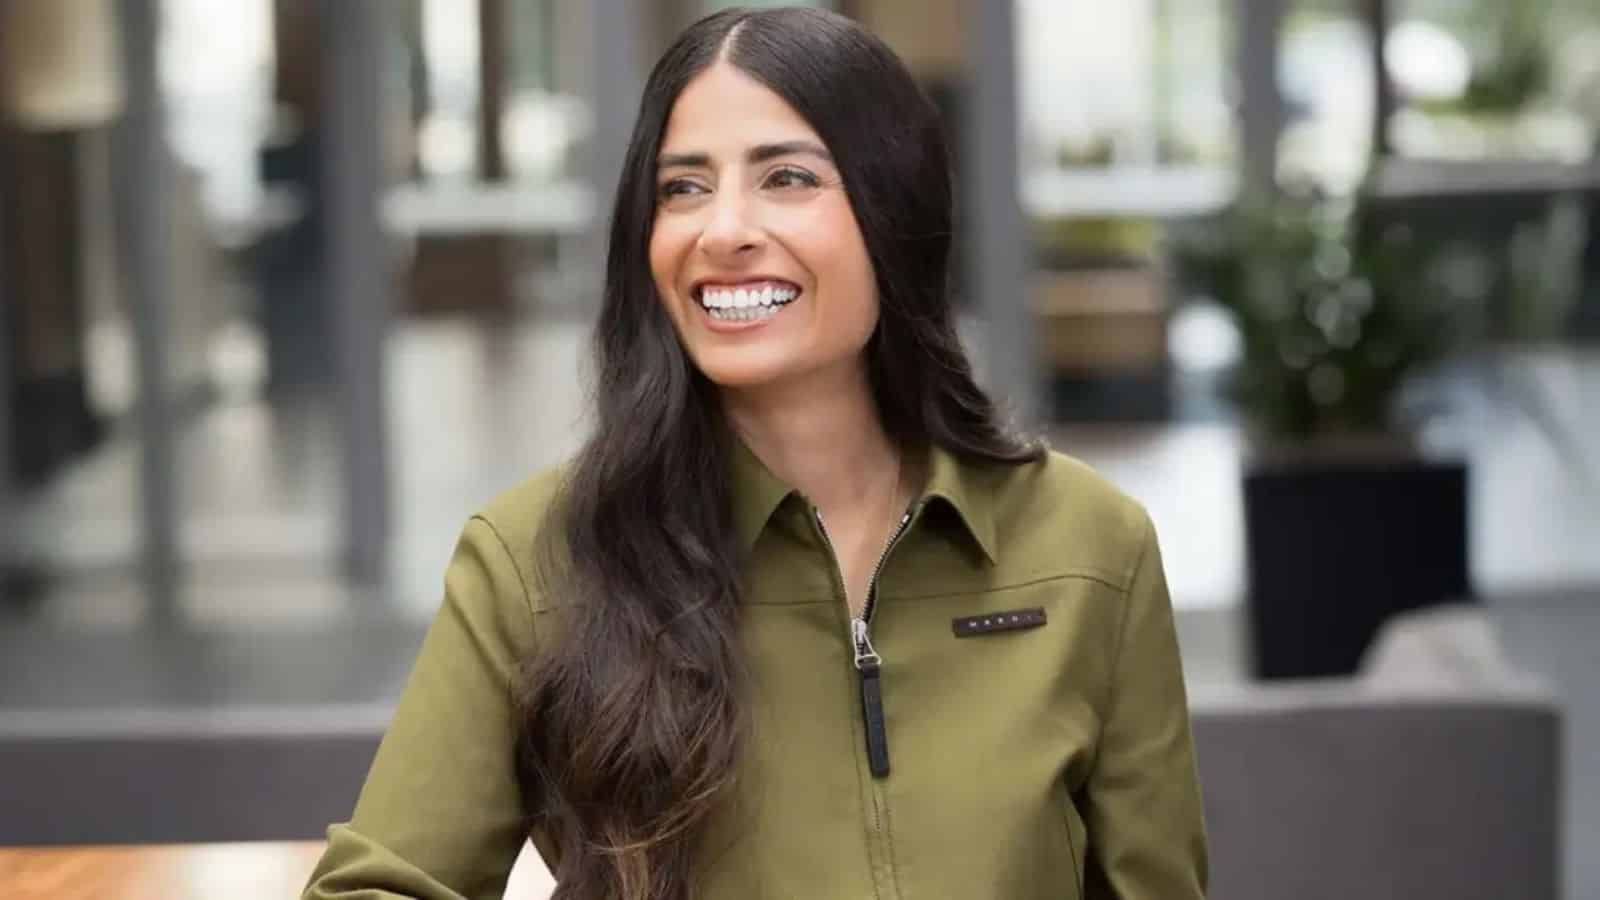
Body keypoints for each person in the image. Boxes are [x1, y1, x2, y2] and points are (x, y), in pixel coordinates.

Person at [302, 7, 1206, 900]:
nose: (722, 230)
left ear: (895, 212)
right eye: (683, 188)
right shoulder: (536, 559)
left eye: (786, 178)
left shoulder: (1091, 548)